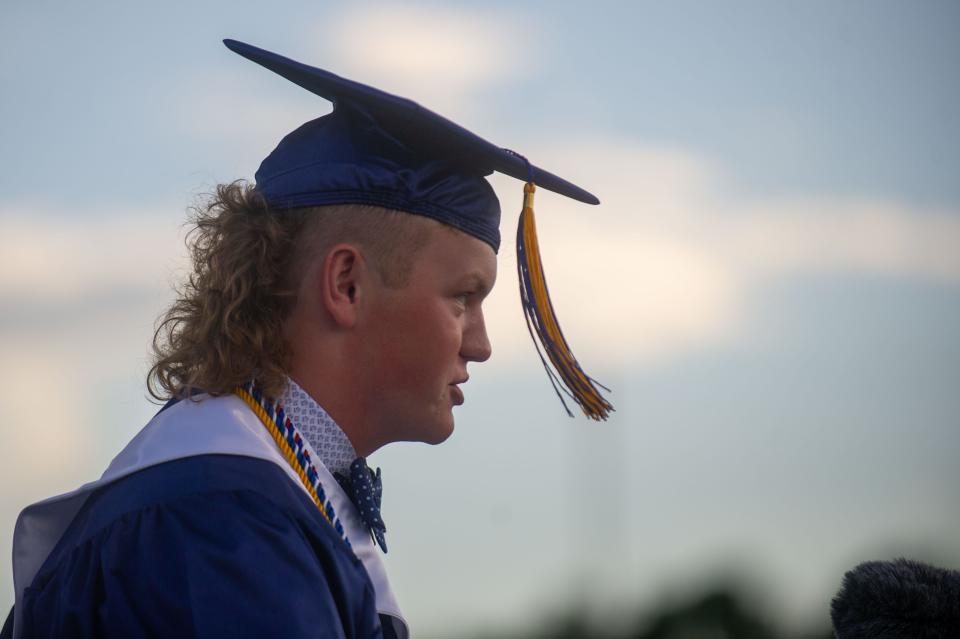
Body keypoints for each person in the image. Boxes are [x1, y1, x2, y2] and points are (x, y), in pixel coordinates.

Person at [2, 40, 612, 638]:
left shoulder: (253, 490)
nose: (480, 344)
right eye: (463, 297)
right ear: (346, 284)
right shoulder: (221, 523)